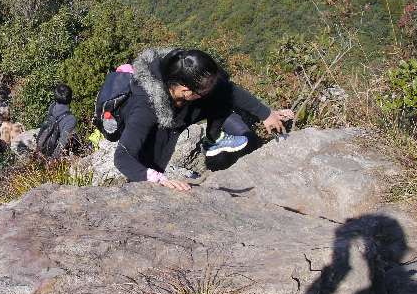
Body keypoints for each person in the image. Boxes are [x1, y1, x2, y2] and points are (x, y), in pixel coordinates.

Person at [115, 48, 293, 191]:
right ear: (185, 90)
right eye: (206, 89)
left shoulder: (187, 75)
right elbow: (122, 157)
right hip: (156, 122)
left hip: (179, 111)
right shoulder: (145, 108)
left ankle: (213, 140)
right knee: (152, 163)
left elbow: (229, 91)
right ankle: (140, 191)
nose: (212, 88)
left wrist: (267, 114)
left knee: (222, 97)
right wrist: (158, 179)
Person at [36, 83, 77, 159]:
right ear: (70, 98)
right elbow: (62, 143)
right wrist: (52, 161)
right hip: (53, 156)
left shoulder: (52, 107)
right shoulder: (70, 119)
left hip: (42, 147)